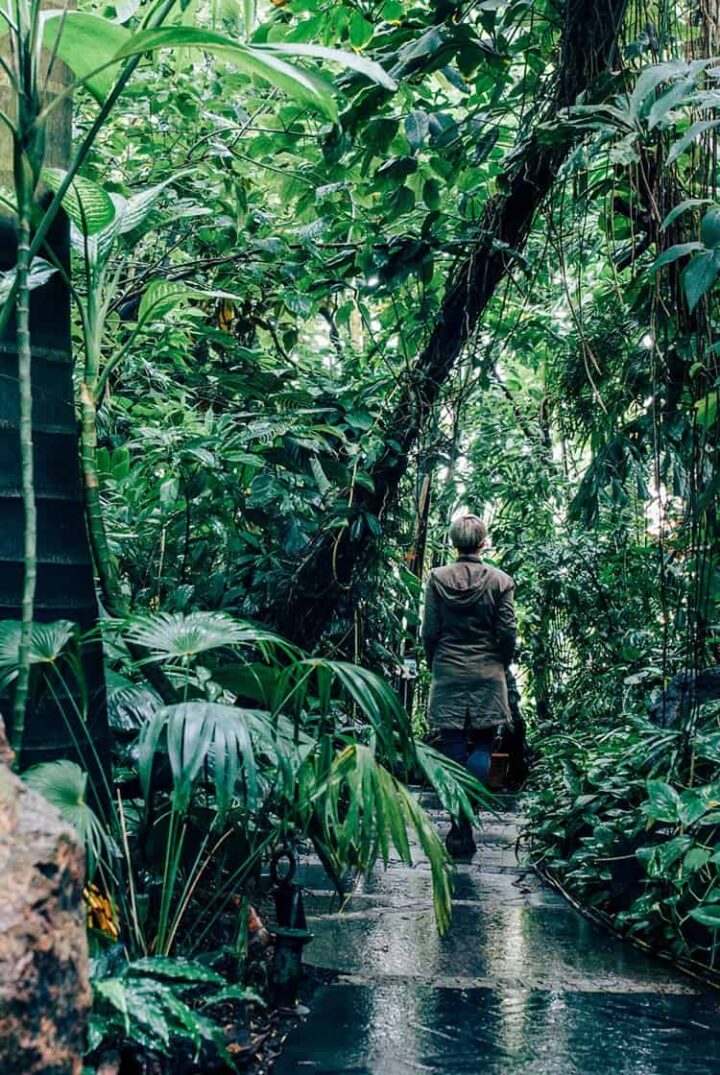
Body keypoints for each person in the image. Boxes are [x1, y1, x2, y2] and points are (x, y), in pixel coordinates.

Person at [422, 514, 517, 857]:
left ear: (453, 542)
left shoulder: (437, 579)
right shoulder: (501, 581)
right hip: (487, 672)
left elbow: (430, 630)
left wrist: (435, 661)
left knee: (452, 746)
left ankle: (457, 820)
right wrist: (500, 663)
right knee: (483, 745)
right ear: (483, 542)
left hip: (448, 669)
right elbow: (507, 631)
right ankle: (467, 816)